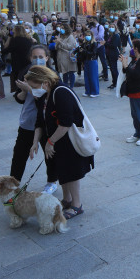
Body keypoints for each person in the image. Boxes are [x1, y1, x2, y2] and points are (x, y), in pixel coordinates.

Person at [29, 65, 93, 220]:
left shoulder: (61, 91)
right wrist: (35, 142)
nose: (33, 90)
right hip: (57, 140)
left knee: (71, 172)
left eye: (34, 86)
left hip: (68, 140)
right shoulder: (45, 94)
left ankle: (77, 206)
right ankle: (67, 200)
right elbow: (40, 121)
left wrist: (50, 142)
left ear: (44, 81)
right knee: (62, 170)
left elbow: (66, 122)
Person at [8, 45, 58, 193]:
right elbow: (19, 98)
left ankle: (52, 182)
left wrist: (30, 89)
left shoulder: (52, 75)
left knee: (49, 154)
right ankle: (13, 183)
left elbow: (47, 98)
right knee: (19, 154)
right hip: (28, 121)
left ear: (47, 58)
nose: (38, 59)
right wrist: (23, 92)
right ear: (30, 58)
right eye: (35, 57)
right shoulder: (26, 72)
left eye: (41, 57)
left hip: (45, 122)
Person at [78, 29, 99, 98]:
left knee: (93, 77)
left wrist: (84, 51)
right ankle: (88, 91)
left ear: (92, 36)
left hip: (92, 61)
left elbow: (93, 53)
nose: (87, 36)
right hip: (86, 61)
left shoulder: (94, 43)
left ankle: (95, 92)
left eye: (89, 35)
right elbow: (80, 50)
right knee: (86, 77)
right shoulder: (84, 44)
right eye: (86, 35)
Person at [104, 23, 122, 89]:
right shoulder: (110, 35)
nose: (111, 28)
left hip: (113, 55)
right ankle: (114, 82)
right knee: (112, 69)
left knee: (114, 69)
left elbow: (114, 46)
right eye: (110, 27)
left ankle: (116, 83)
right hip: (109, 54)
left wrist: (105, 43)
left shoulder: (116, 36)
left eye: (112, 27)